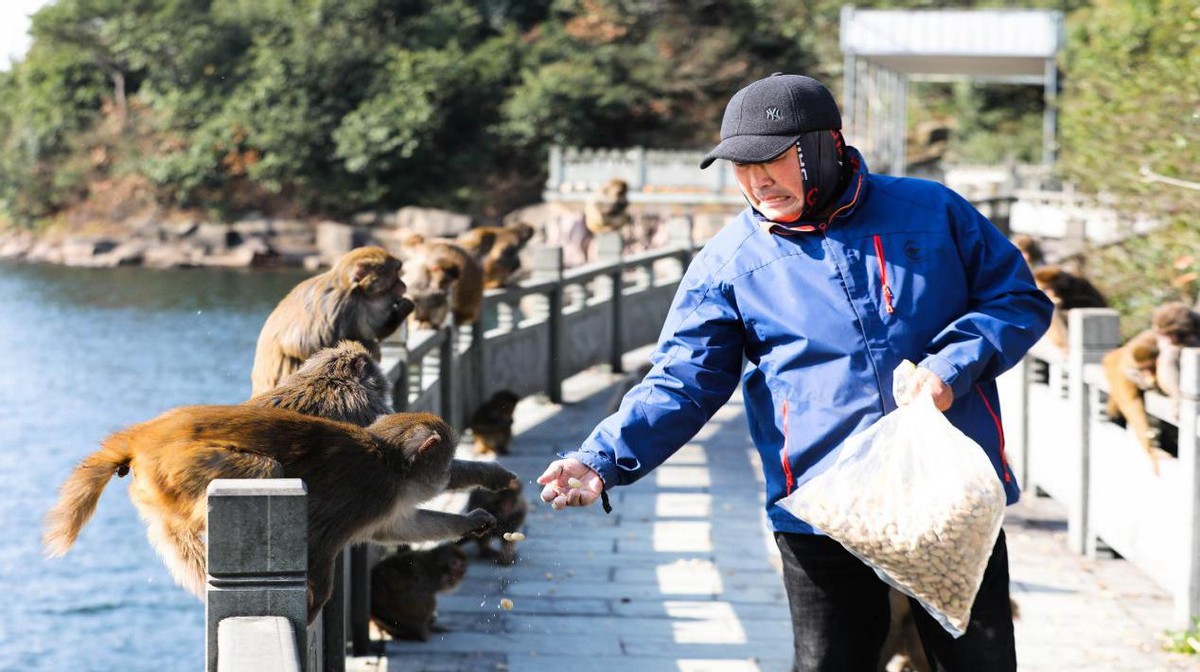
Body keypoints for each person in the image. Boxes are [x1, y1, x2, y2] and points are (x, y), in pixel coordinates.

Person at [536, 72, 1053, 671]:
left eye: (773, 160)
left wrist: (952, 367)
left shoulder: (932, 211)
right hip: (818, 506)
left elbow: (1017, 301)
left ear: (824, 145)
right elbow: (682, 380)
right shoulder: (728, 263)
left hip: (947, 493)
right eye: (740, 166)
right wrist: (601, 458)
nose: (757, 180)